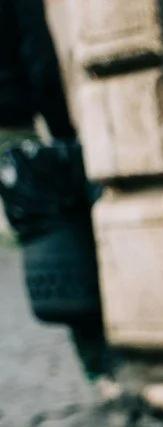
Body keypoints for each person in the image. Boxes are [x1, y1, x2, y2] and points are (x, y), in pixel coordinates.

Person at [0, 0, 108, 376]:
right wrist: (64, 136)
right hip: (11, 128)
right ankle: (98, 362)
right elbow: (39, 56)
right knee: (60, 233)